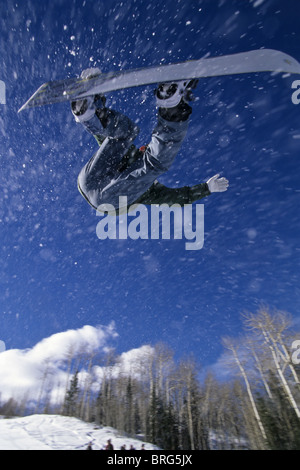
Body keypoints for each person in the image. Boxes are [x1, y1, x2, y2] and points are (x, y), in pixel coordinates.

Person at [71, 69, 229, 214]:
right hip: (94, 187)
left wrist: (206, 188)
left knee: (136, 147)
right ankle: (89, 110)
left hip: (94, 189)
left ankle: (171, 105)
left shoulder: (148, 188)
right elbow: (176, 199)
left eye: (144, 150)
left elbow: (177, 198)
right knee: (128, 136)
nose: (142, 151)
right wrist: (95, 100)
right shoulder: (145, 186)